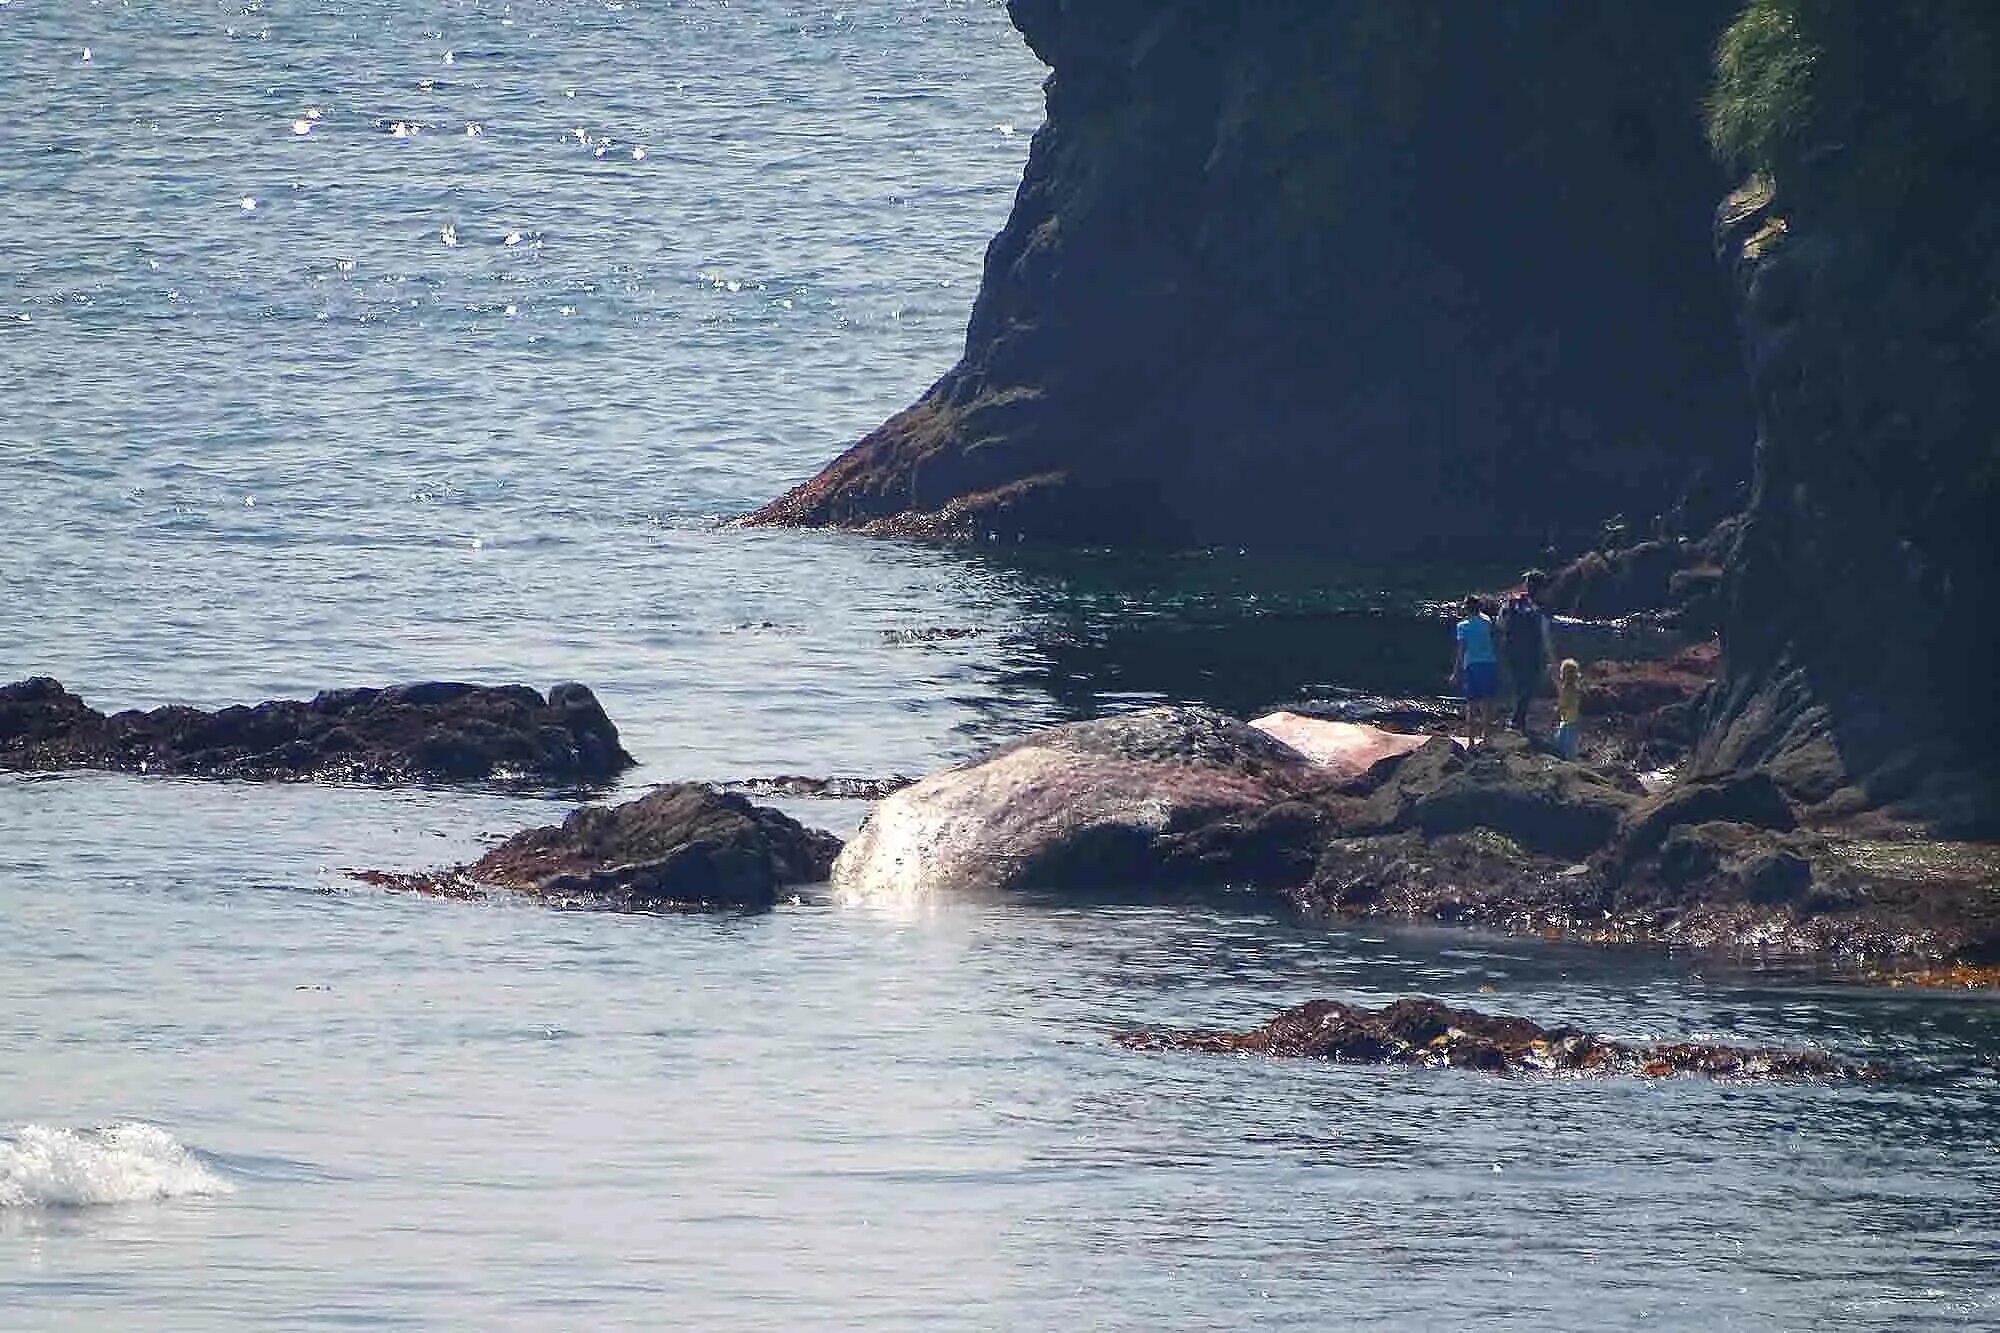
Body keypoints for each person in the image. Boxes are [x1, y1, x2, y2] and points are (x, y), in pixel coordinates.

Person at [1499, 569, 1556, 735]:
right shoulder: (1540, 610)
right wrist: (1553, 660)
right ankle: (1517, 722)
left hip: (1510, 652)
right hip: (1531, 654)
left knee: (1519, 686)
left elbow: (1500, 624)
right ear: (1541, 589)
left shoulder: (1509, 604)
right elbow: (1545, 637)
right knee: (1528, 687)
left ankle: (1516, 721)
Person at [1450, 595, 1499, 746]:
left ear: (1467, 608)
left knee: (1471, 704)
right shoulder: (1487, 622)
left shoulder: (1462, 626)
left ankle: (1471, 741)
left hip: (1472, 665)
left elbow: (1461, 651)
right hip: (1489, 663)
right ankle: (1486, 739)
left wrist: (1456, 672)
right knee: (1486, 704)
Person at [1553, 658, 1583, 759]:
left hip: (1571, 721)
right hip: (1567, 720)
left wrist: (1558, 710)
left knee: (1568, 746)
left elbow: (1565, 703)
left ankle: (1570, 763)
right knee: (1560, 742)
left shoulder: (1572, 689)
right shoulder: (1567, 687)